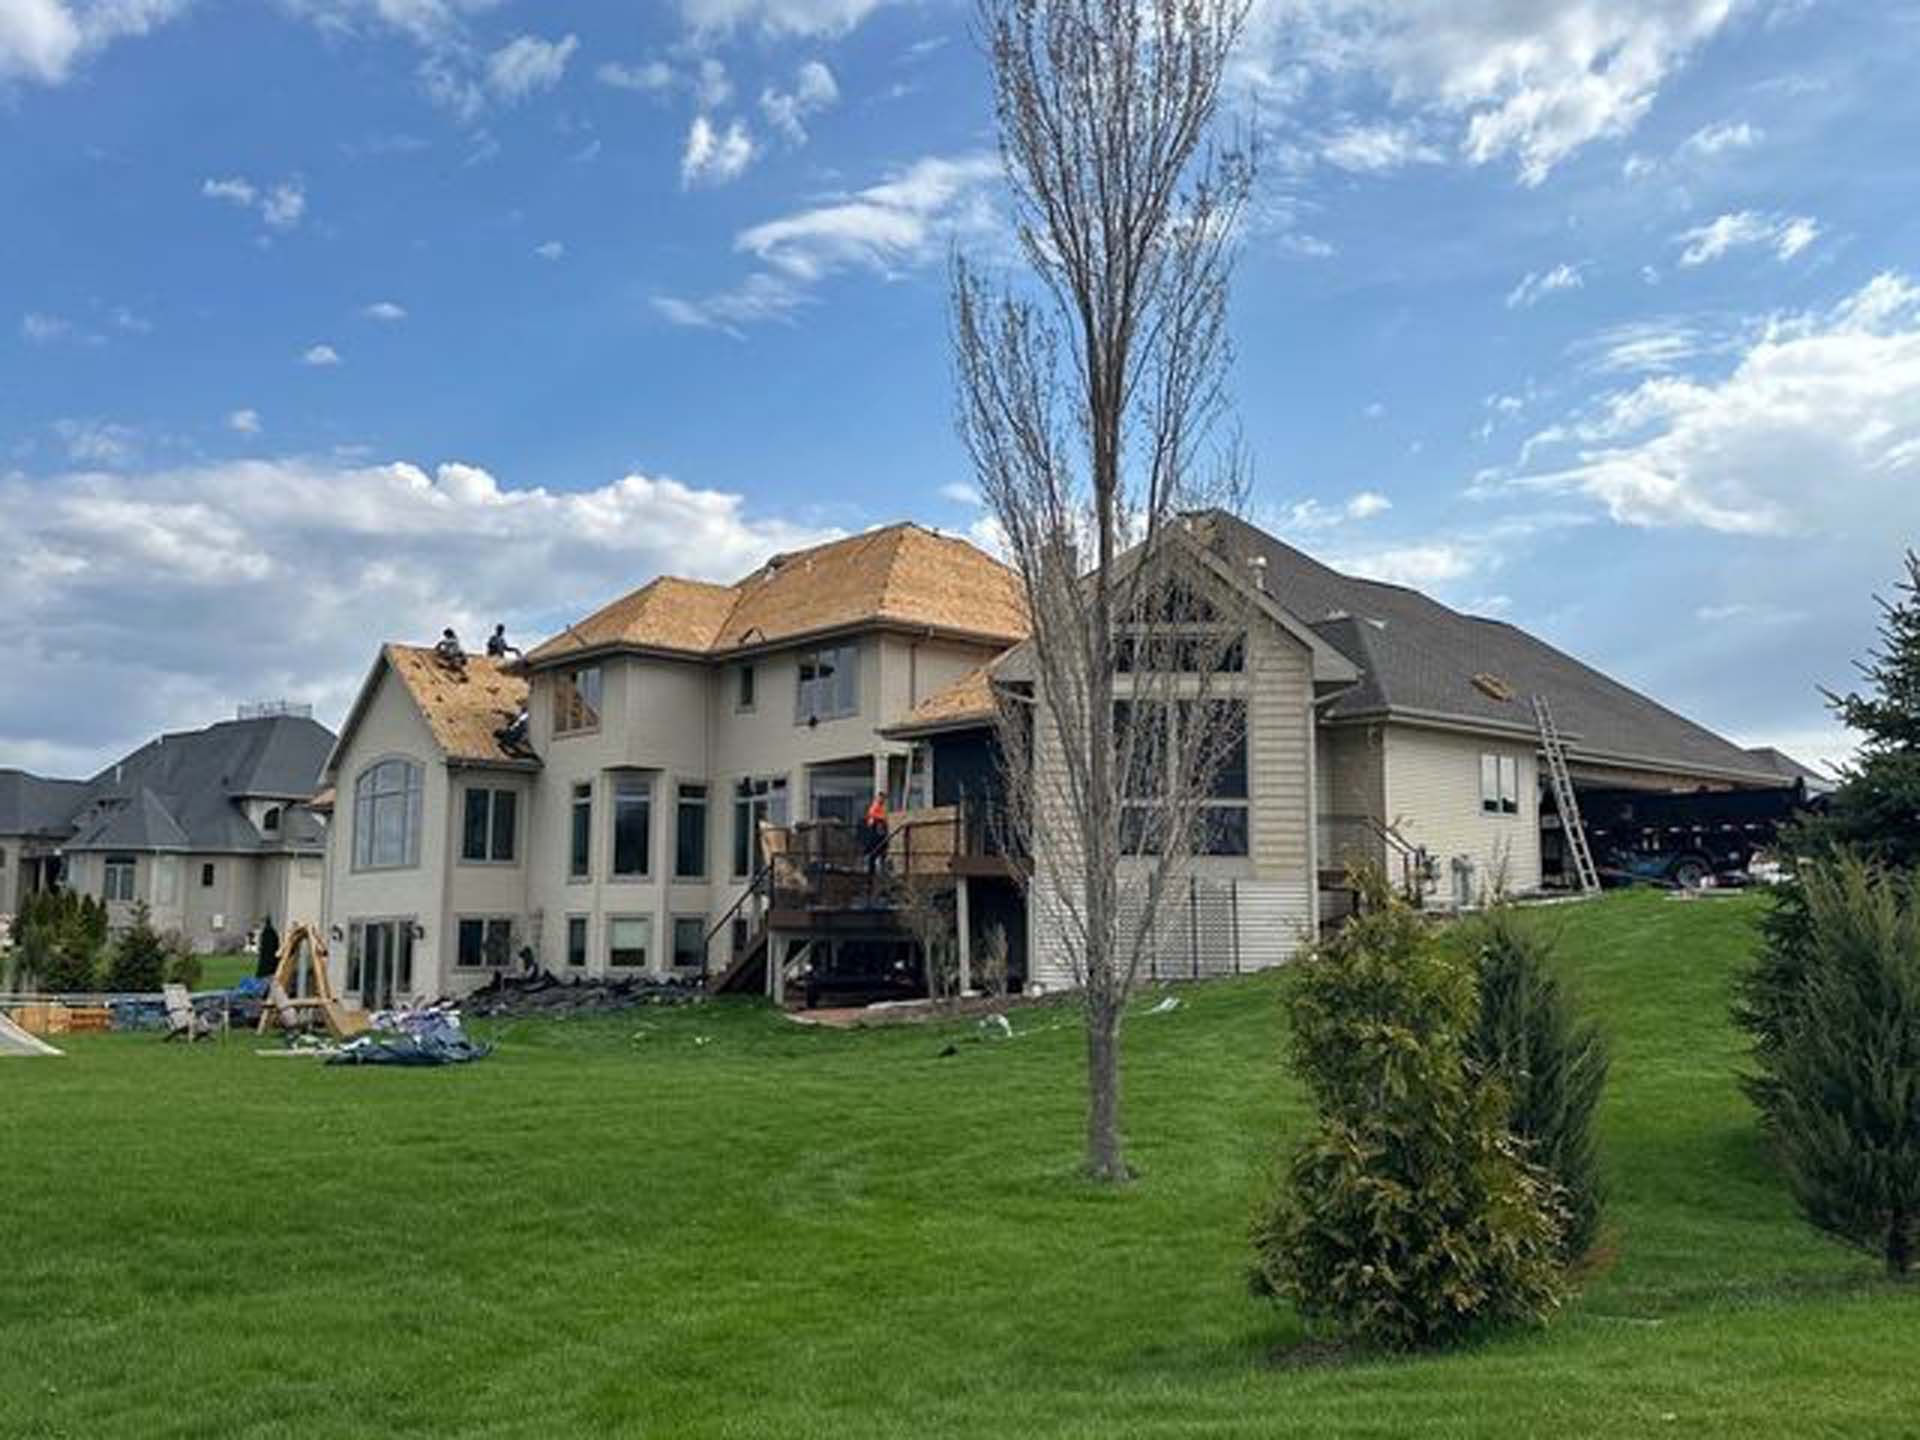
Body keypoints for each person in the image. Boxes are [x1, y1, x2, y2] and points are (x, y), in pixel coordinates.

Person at [862, 791, 890, 875]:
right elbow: (872, 815)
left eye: (883, 798)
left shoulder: (881, 808)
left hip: (879, 832)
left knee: (881, 850)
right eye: (881, 798)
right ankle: (872, 870)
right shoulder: (875, 807)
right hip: (875, 833)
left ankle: (878, 869)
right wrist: (882, 819)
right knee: (874, 851)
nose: (882, 800)